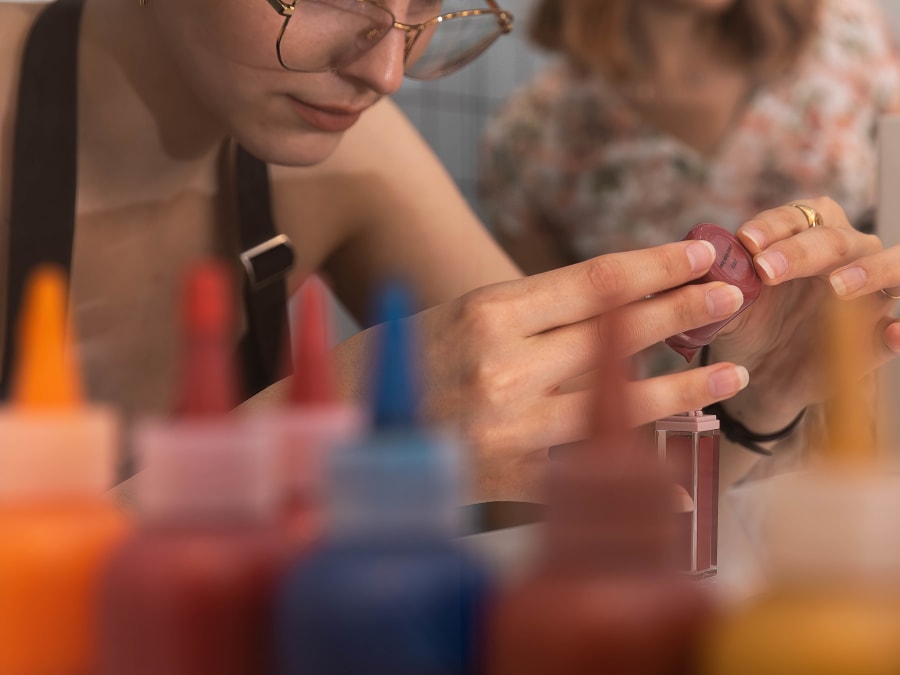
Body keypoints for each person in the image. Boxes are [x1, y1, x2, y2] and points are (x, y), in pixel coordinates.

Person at [0, 0, 898, 508]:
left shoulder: (355, 156)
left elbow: (608, 493)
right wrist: (284, 454)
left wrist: (753, 399)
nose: (386, 73)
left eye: (428, 6)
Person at [479, 0, 900, 275]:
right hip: (653, 394)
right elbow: (552, 353)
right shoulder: (533, 136)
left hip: (853, 381)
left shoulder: (848, 37)